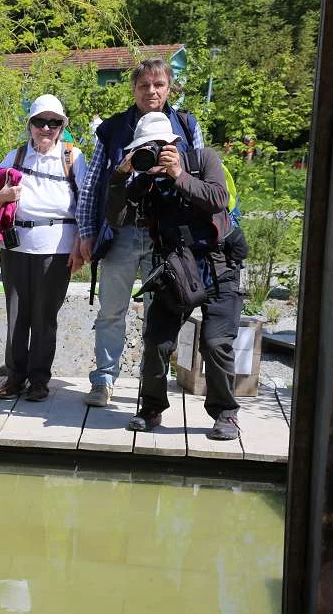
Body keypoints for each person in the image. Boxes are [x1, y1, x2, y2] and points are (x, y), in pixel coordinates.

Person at [75, 59, 204, 407]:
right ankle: (103, 381)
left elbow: (201, 177)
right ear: (134, 89)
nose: (152, 91)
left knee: (158, 315)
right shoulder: (114, 128)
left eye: (159, 84)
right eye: (144, 85)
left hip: (165, 234)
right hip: (121, 231)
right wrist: (87, 231)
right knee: (111, 310)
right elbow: (92, 185)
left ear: (168, 88)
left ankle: (152, 390)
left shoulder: (187, 125)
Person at [106, 112, 243, 439]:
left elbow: (218, 200)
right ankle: (151, 408)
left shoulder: (202, 160)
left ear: (175, 144)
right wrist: (119, 177)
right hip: (175, 269)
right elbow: (117, 217)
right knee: (157, 341)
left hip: (218, 265)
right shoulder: (146, 180)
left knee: (215, 342)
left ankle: (226, 413)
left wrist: (178, 173)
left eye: (159, 146)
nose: (153, 151)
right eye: (146, 147)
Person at [0, 95, 85, 401]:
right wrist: (4, 195)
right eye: (40, 122)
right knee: (17, 315)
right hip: (17, 244)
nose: (46, 128)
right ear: (30, 125)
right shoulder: (15, 156)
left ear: (62, 127)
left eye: (54, 123)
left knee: (45, 316)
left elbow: (86, 206)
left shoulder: (74, 157)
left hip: (57, 246)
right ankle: (15, 377)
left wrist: (80, 247)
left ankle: (40, 380)